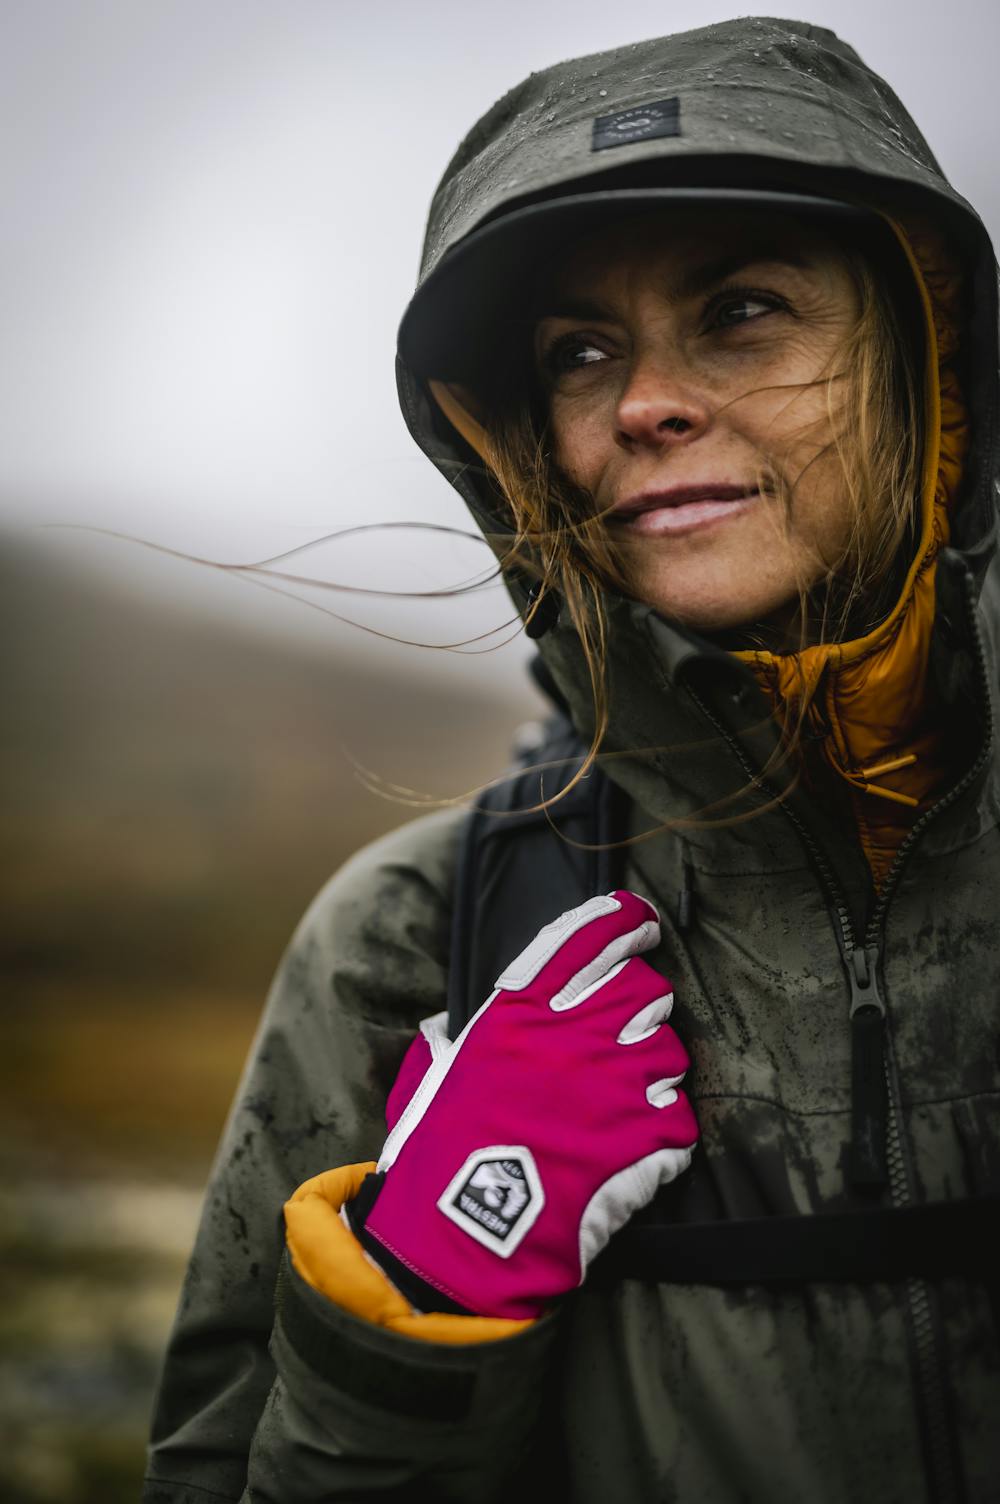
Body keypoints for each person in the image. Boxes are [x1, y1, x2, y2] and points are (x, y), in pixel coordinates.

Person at [143, 17, 1000, 1504]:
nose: (642, 404)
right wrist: (422, 1290)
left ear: (925, 363)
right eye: (579, 354)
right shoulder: (414, 938)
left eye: (742, 309)